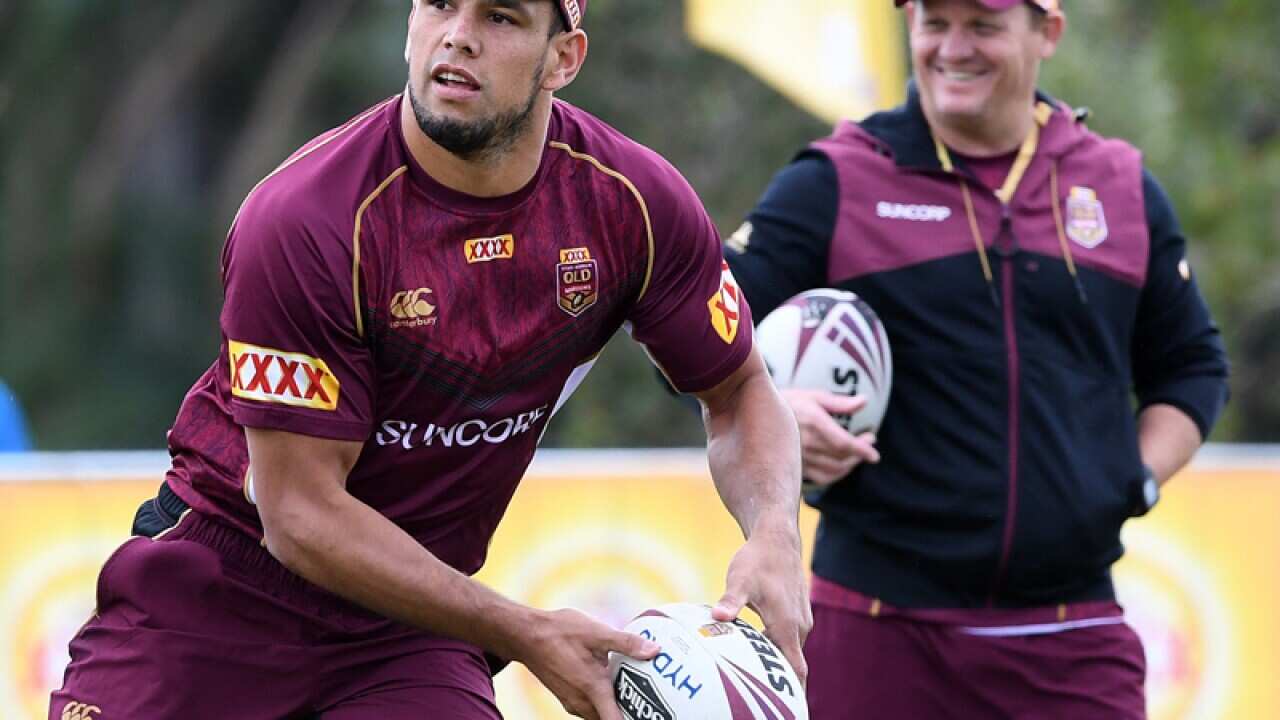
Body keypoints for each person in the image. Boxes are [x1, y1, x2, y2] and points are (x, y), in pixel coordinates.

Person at [50, 1, 810, 718]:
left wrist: (774, 530)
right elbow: (300, 515)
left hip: (404, 626)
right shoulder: (305, 218)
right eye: (439, 3)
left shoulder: (633, 204)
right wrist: (522, 628)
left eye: (500, 15)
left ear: (564, 58)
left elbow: (739, 390)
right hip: (218, 588)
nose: (457, 35)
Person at [724, 0, 1229, 717]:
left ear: (1047, 31)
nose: (952, 48)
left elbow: (1194, 368)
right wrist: (774, 410)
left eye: (983, 25)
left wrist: (1131, 482)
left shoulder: (1118, 186)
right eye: (934, 22)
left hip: (1071, 635)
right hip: (876, 631)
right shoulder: (838, 177)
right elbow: (699, 329)